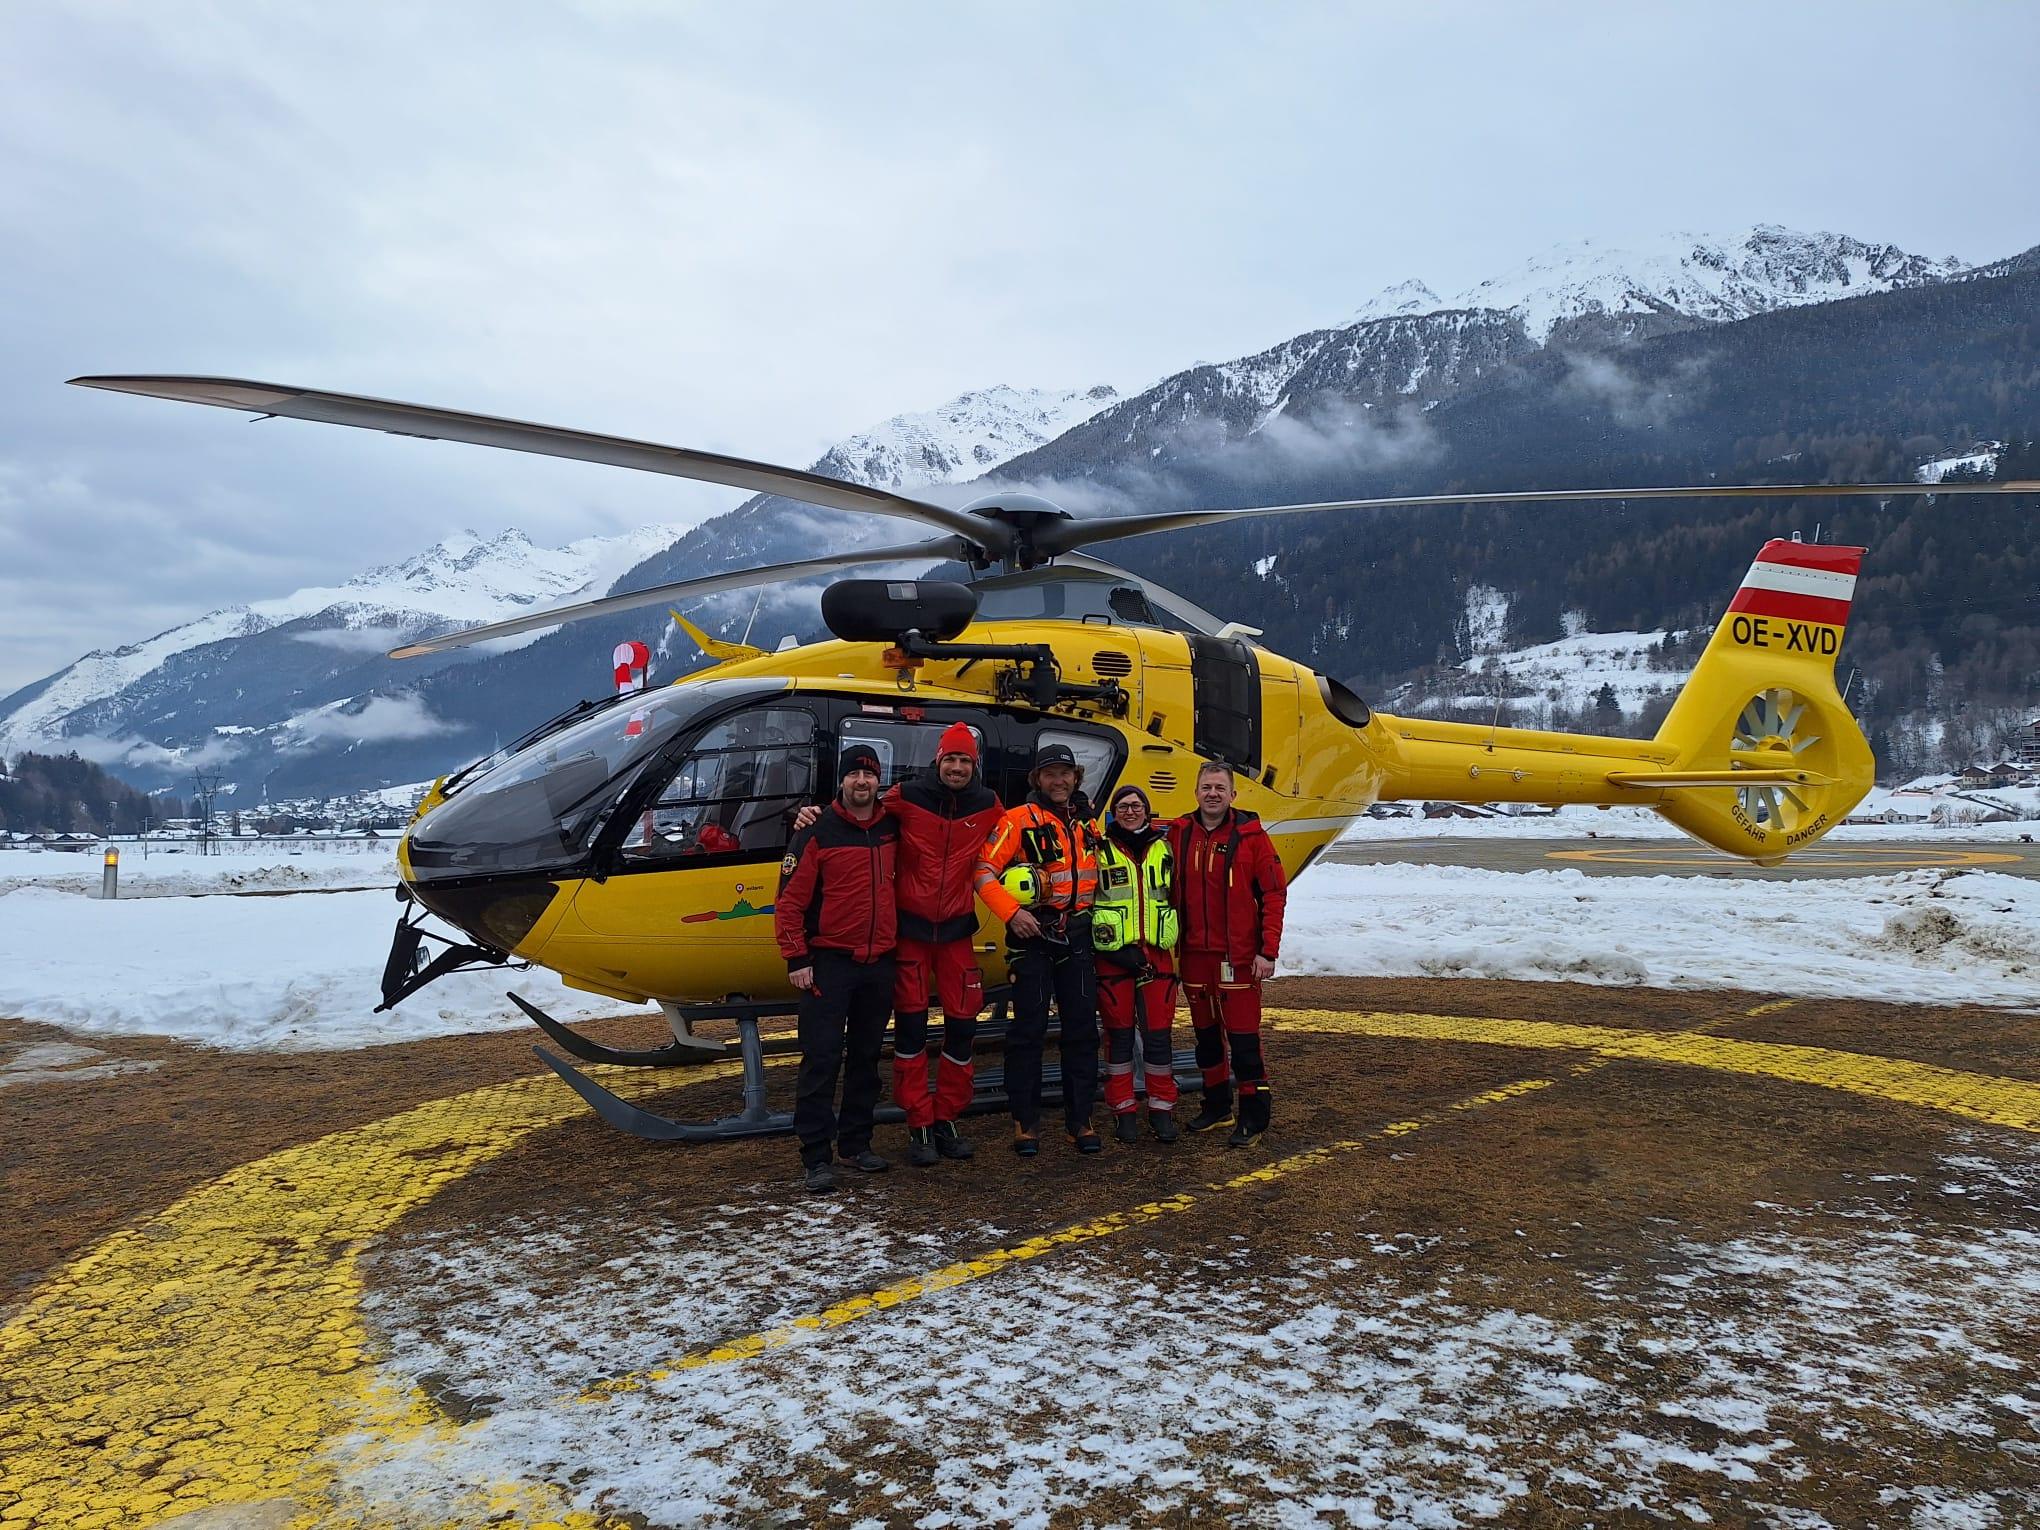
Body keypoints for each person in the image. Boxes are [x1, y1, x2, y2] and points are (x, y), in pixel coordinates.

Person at [799, 722, 1003, 1165]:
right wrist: (806, 814)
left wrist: (1077, 810)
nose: (956, 766)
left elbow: (1019, 829)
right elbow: (855, 808)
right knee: (910, 1032)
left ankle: (947, 1115)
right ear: (938, 760)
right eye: (950, 758)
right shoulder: (907, 797)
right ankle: (919, 1123)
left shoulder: (988, 805)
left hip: (956, 934)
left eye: (964, 760)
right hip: (908, 935)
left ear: (975, 764)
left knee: (963, 1028)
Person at [774, 742, 900, 1193]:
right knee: (822, 1059)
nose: (862, 783)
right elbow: (788, 903)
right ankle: (815, 1155)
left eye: (869, 775)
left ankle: (856, 1143)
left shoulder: (891, 825)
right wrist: (797, 958)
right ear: (842, 781)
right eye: (854, 776)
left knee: (866, 1059)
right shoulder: (815, 831)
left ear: (878, 780)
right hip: (829, 963)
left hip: (879, 962)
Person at [974, 741, 1103, 1157]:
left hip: (1078, 938)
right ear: (1037, 779)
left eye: (1065, 773)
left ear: (1075, 778)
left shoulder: (1089, 823)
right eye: (1050, 774)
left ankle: (1080, 1119)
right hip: (1032, 938)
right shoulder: (1015, 821)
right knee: (1027, 1032)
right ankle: (1024, 1121)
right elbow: (983, 872)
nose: (1058, 780)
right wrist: (1013, 915)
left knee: (1082, 1031)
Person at [1168, 760, 1288, 1147]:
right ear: (1196, 792)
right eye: (1207, 787)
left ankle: (1255, 1116)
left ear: (1233, 794)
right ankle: (1218, 1107)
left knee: (1244, 1040)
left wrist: (1267, 951)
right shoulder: (1179, 833)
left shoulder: (1252, 836)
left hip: (1237, 958)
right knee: (1205, 1038)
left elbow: (1273, 893)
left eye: (1220, 788)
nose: (1213, 794)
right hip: (1194, 956)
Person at [1092, 783, 1182, 1143]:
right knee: (1119, 1039)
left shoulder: (1165, 849)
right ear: (1114, 812)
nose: (1130, 811)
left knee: (1158, 1038)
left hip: (1156, 955)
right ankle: (1123, 1109)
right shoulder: (1098, 849)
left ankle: (1162, 1108)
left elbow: (1178, 894)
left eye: (1136, 806)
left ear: (1147, 810)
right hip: (1113, 958)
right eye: (1123, 806)